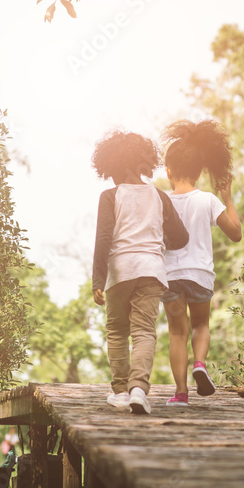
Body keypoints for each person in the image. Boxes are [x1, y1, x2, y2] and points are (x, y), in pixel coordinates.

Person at [91, 130, 189, 414]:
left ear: (124, 165)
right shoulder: (159, 196)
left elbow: (103, 239)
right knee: (145, 331)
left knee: (118, 332)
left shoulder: (110, 196)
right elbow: (181, 237)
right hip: (151, 271)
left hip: (119, 271)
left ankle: (120, 392)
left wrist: (98, 279)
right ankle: (138, 390)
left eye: (113, 170)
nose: (111, 177)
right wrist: (159, 241)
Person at [159, 120, 242, 406]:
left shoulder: (161, 202)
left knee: (176, 333)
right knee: (201, 326)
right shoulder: (208, 200)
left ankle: (180, 393)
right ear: (198, 171)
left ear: (168, 171)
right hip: (200, 275)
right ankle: (200, 364)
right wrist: (227, 198)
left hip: (169, 277)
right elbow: (235, 234)